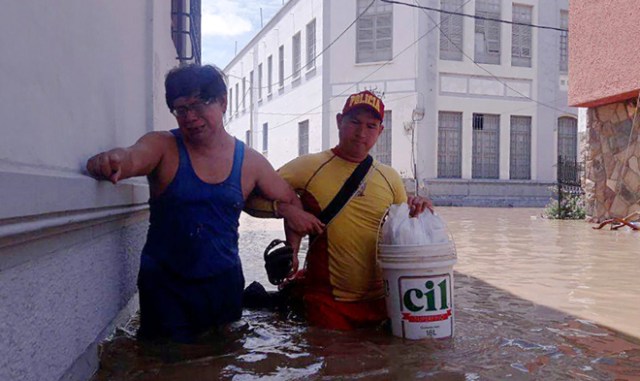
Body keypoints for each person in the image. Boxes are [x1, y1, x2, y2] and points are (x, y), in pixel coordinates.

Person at [86, 64, 323, 343]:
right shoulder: (163, 146)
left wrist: (292, 253)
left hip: (222, 286)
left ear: (223, 102)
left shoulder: (250, 161)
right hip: (165, 288)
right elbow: (132, 156)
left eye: (199, 105)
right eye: (181, 109)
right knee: (161, 364)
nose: (191, 117)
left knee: (221, 365)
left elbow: (290, 201)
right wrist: (111, 160)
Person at [246, 90, 432, 330]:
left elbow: (403, 233)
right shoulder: (308, 166)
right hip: (327, 303)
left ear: (380, 132)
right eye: (354, 122)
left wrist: (420, 208)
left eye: (371, 126)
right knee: (335, 365)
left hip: (381, 302)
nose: (361, 132)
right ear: (338, 122)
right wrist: (286, 210)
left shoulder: (390, 178)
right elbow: (247, 199)